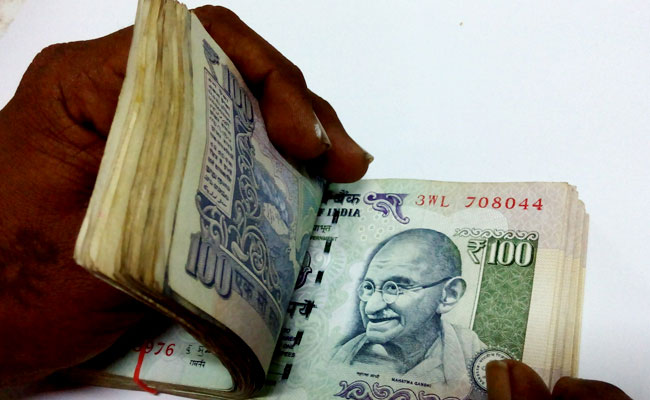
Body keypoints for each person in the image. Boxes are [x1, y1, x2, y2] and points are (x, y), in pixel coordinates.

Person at [0, 5, 632, 400]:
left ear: (449, 295)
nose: (373, 303)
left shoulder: (477, 368)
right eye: (372, 286)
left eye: (397, 287)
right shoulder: (346, 351)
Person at [333, 228, 484, 385]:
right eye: (368, 287)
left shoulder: (477, 361)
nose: (370, 308)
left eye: (395, 288)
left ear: (448, 295)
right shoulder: (338, 358)